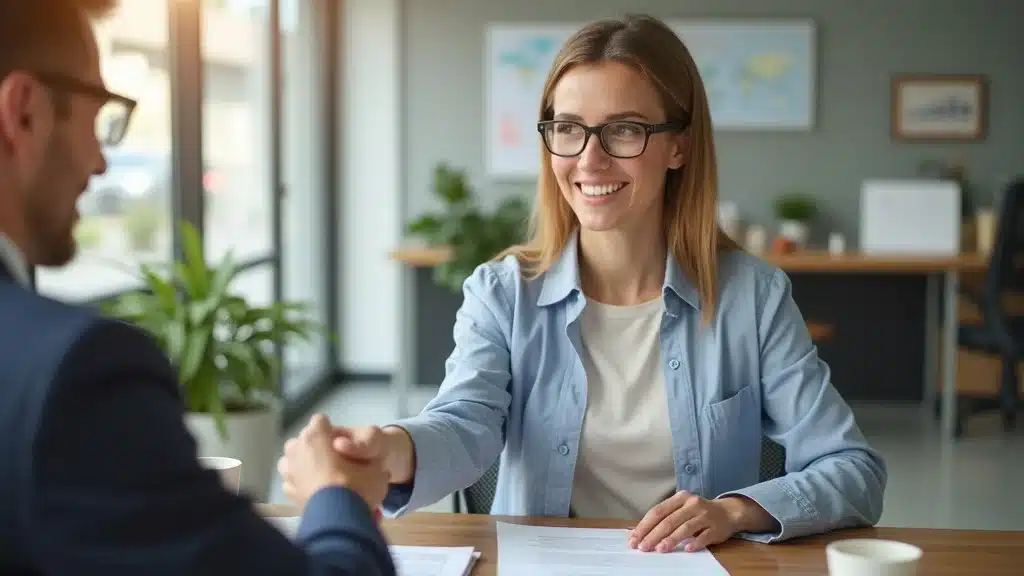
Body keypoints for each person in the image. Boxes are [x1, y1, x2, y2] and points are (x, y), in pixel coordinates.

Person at [332, 13, 886, 554]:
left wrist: (734, 510)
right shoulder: (502, 294)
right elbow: (463, 426)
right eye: (568, 128)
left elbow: (852, 470)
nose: (589, 160)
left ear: (679, 147)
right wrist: (391, 448)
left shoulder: (753, 297)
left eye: (623, 129)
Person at [0, 1, 396, 574]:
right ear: (25, 112)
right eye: (99, 117)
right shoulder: (72, 378)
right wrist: (339, 498)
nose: (100, 163)